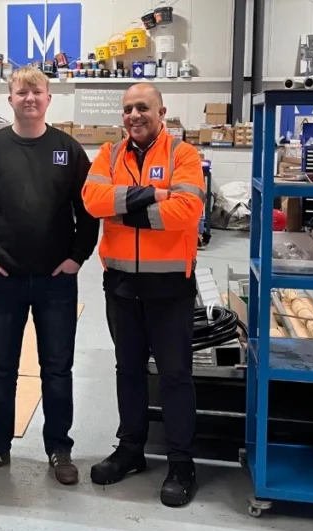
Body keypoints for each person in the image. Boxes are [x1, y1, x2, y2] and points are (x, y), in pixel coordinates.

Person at [0, 66, 100, 485]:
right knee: (0, 367)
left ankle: (59, 448)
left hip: (56, 281)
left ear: (48, 98)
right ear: (10, 99)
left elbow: (88, 211)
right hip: (3, 280)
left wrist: (77, 257)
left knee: (57, 369)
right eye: (21, 92)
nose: (29, 98)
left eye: (36, 91)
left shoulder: (69, 150)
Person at [80, 83, 206, 508]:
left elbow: (188, 210)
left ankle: (181, 461)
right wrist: (154, 195)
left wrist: (123, 211)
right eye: (128, 109)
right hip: (120, 286)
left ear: (161, 112)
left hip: (170, 287)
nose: (135, 115)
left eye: (143, 108)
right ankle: (131, 450)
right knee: (128, 370)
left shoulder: (182, 154)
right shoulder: (109, 155)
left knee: (174, 376)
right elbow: (92, 201)